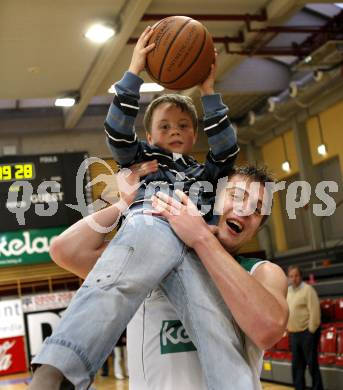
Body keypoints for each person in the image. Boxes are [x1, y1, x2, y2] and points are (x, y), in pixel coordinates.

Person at [29, 24, 248, 390]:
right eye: (164, 126)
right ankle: (58, 370)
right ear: (150, 137)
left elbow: (226, 149)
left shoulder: (206, 172)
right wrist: (133, 72)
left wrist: (209, 91)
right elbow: (116, 130)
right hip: (154, 224)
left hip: (195, 247)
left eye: (183, 125)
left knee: (217, 333)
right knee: (114, 284)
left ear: (195, 135)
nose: (175, 130)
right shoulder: (142, 160)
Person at [32, 163, 289, 390]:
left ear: (257, 228)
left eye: (257, 210)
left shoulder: (263, 272)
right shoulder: (152, 259)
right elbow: (66, 250)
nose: (245, 210)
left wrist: (200, 238)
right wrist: (124, 203)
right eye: (237, 196)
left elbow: (267, 330)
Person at [287, 265, 323, 390]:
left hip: (307, 333)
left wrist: (311, 331)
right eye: (291, 276)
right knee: (297, 367)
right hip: (294, 334)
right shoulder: (288, 291)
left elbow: (315, 312)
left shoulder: (308, 290)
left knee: (312, 364)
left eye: (296, 275)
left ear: (300, 276)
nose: (294, 278)